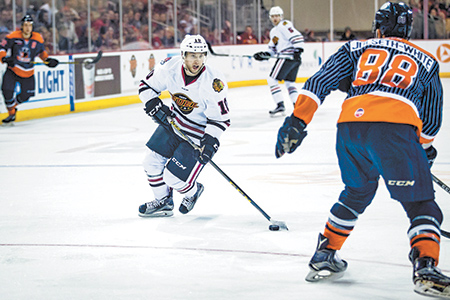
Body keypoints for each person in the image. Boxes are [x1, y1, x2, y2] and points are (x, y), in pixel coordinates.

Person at [274, 2, 450, 298]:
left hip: (349, 130)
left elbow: (319, 82)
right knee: (421, 203)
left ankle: (325, 253)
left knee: (356, 192)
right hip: (395, 130)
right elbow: (431, 119)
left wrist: (297, 122)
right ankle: (425, 266)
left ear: (378, 26)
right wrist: (424, 150)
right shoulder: (428, 61)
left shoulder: (356, 48)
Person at [137, 34, 230, 217]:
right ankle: (163, 202)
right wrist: (152, 104)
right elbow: (145, 87)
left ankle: (193, 192)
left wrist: (210, 142)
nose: (197, 60)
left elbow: (220, 119)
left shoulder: (213, 82)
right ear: (183, 55)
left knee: (173, 178)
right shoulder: (168, 67)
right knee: (150, 162)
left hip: (198, 134)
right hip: (174, 123)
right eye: (193, 55)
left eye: (201, 55)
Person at [0, 14, 59, 124]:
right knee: (7, 91)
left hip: (28, 72)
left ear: (32, 27)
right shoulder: (13, 36)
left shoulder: (37, 38)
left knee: (27, 95)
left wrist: (47, 60)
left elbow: (42, 52)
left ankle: (13, 107)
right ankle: (11, 113)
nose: (27, 28)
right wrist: (5, 58)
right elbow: (2, 47)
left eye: (30, 25)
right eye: (25, 25)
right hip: (13, 69)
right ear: (21, 26)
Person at [253, 6, 304, 117]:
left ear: (281, 16)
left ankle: (280, 105)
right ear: (270, 17)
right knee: (289, 82)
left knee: (272, 80)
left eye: (277, 16)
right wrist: (265, 54)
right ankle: (297, 105)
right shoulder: (274, 31)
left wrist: (298, 49)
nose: (275, 18)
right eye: (273, 16)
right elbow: (273, 48)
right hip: (292, 59)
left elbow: (297, 37)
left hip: (287, 57)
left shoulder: (284, 25)